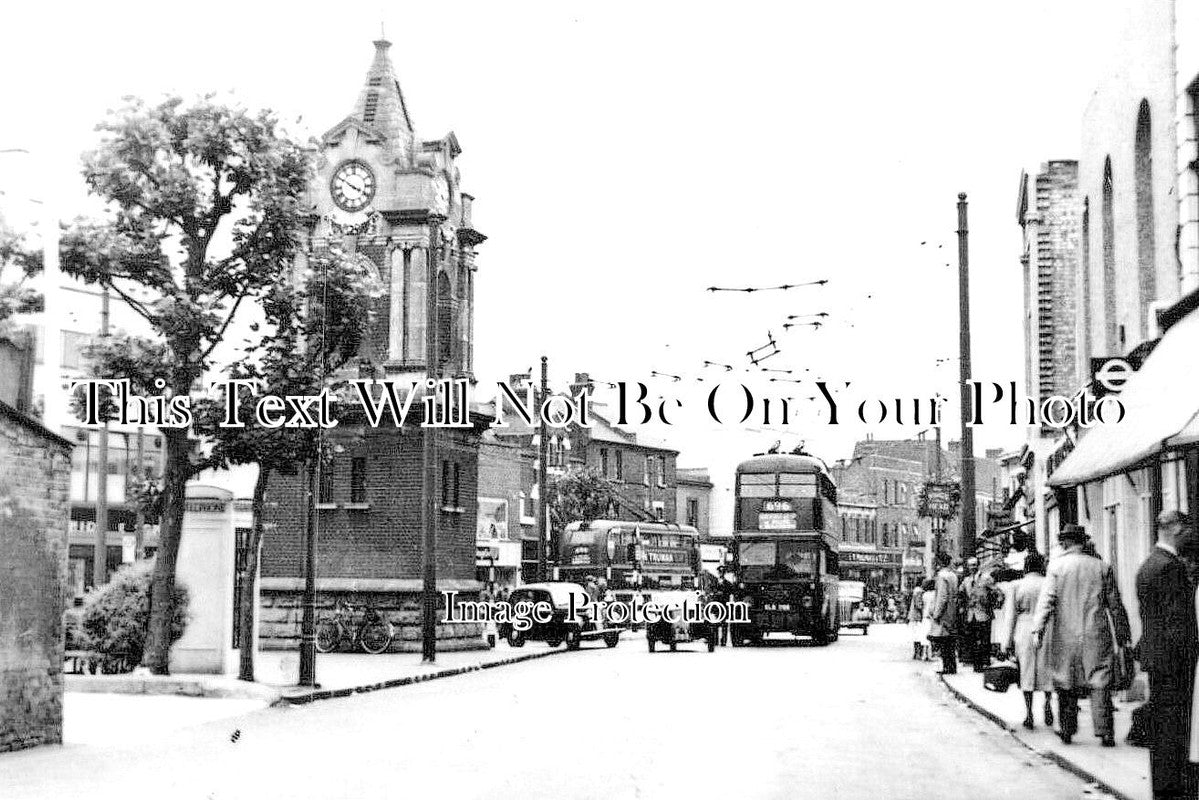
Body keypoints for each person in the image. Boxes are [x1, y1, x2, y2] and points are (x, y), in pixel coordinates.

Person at [1032, 523, 1132, 747]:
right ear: (1083, 542)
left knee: (1065, 681)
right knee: (1100, 680)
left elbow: (1046, 601)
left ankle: (1067, 729)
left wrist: (1037, 629)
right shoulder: (1101, 567)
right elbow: (1115, 605)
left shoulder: (1056, 567)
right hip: (1096, 631)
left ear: (1066, 542)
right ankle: (1104, 731)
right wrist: (1123, 634)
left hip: (1065, 633)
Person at [1137, 510, 1199, 798]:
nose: (1189, 536)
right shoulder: (1170, 567)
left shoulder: (1149, 564)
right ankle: (1172, 789)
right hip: (1173, 663)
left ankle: (1162, 788)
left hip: (1156, 658)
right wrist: (1189, 658)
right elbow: (1178, 623)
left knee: (1162, 727)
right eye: (1186, 530)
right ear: (1174, 529)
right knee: (1174, 729)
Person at [1003, 551, 1054, 730]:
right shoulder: (1048, 583)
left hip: (1023, 628)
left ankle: (1029, 712)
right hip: (1046, 627)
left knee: (1026, 670)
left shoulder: (1016, 585)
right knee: (1046, 667)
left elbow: (1010, 615)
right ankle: (1048, 703)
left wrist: (1006, 642)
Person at [960, 557, 998, 671]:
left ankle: (984, 662)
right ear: (967, 566)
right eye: (970, 565)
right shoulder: (966, 580)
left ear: (978, 565)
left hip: (984, 614)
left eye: (974, 565)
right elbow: (961, 593)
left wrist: (990, 603)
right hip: (971, 614)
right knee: (973, 640)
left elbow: (997, 592)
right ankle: (976, 664)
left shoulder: (986, 578)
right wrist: (963, 605)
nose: (972, 567)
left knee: (984, 640)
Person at [929, 552, 960, 674]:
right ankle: (952, 666)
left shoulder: (942, 576)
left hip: (944, 613)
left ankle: (947, 667)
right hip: (952, 610)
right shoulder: (953, 575)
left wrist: (936, 614)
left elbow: (942, 597)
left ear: (940, 562)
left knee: (944, 641)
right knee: (950, 641)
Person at [908, 585, 925, 659]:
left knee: (915, 636)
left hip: (913, 617)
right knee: (919, 636)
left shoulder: (916, 591)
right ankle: (919, 653)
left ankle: (916, 653)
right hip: (918, 617)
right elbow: (918, 605)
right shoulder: (919, 592)